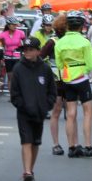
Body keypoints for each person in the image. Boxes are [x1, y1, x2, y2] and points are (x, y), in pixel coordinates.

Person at [10, 37, 57, 181]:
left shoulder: (45, 69)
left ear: (38, 51)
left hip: (39, 112)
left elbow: (52, 89)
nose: (27, 52)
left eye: (31, 50)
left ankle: (31, 168)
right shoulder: (18, 68)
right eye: (25, 50)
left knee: (36, 142)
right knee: (26, 141)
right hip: (24, 112)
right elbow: (15, 93)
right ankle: (27, 172)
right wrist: (21, 105)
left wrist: (47, 105)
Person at [55, 11, 92, 158]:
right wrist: (83, 71)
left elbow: (59, 64)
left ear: (67, 25)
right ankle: (88, 146)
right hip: (82, 80)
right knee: (88, 113)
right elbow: (90, 64)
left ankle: (72, 147)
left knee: (70, 114)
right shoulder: (84, 42)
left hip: (68, 80)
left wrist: (69, 72)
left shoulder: (60, 42)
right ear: (81, 26)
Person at [40, 14, 67, 155]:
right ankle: (68, 144)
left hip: (59, 80)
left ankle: (57, 144)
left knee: (58, 112)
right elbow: (40, 57)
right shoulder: (53, 42)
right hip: (65, 80)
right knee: (66, 113)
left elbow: (39, 58)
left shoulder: (53, 41)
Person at [0, 17, 26, 91]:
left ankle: (18, 92)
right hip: (8, 57)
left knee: (17, 75)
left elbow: (25, 43)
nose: (15, 26)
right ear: (8, 25)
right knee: (10, 76)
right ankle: (11, 94)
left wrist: (22, 49)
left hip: (17, 56)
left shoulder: (21, 33)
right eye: (13, 25)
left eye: (16, 25)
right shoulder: (3, 34)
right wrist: (2, 53)